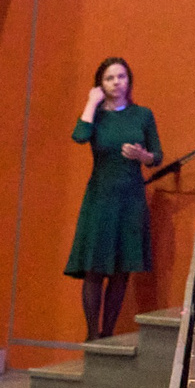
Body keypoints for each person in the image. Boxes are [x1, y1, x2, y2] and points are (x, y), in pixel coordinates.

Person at [68, 58, 161, 340]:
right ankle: (92, 335)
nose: (116, 82)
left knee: (121, 271)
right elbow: (79, 136)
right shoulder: (95, 115)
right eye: (109, 78)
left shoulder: (143, 115)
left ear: (128, 81)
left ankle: (107, 335)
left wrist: (143, 156)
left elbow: (157, 156)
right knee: (95, 268)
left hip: (131, 199)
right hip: (100, 198)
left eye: (121, 77)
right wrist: (90, 103)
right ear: (101, 84)